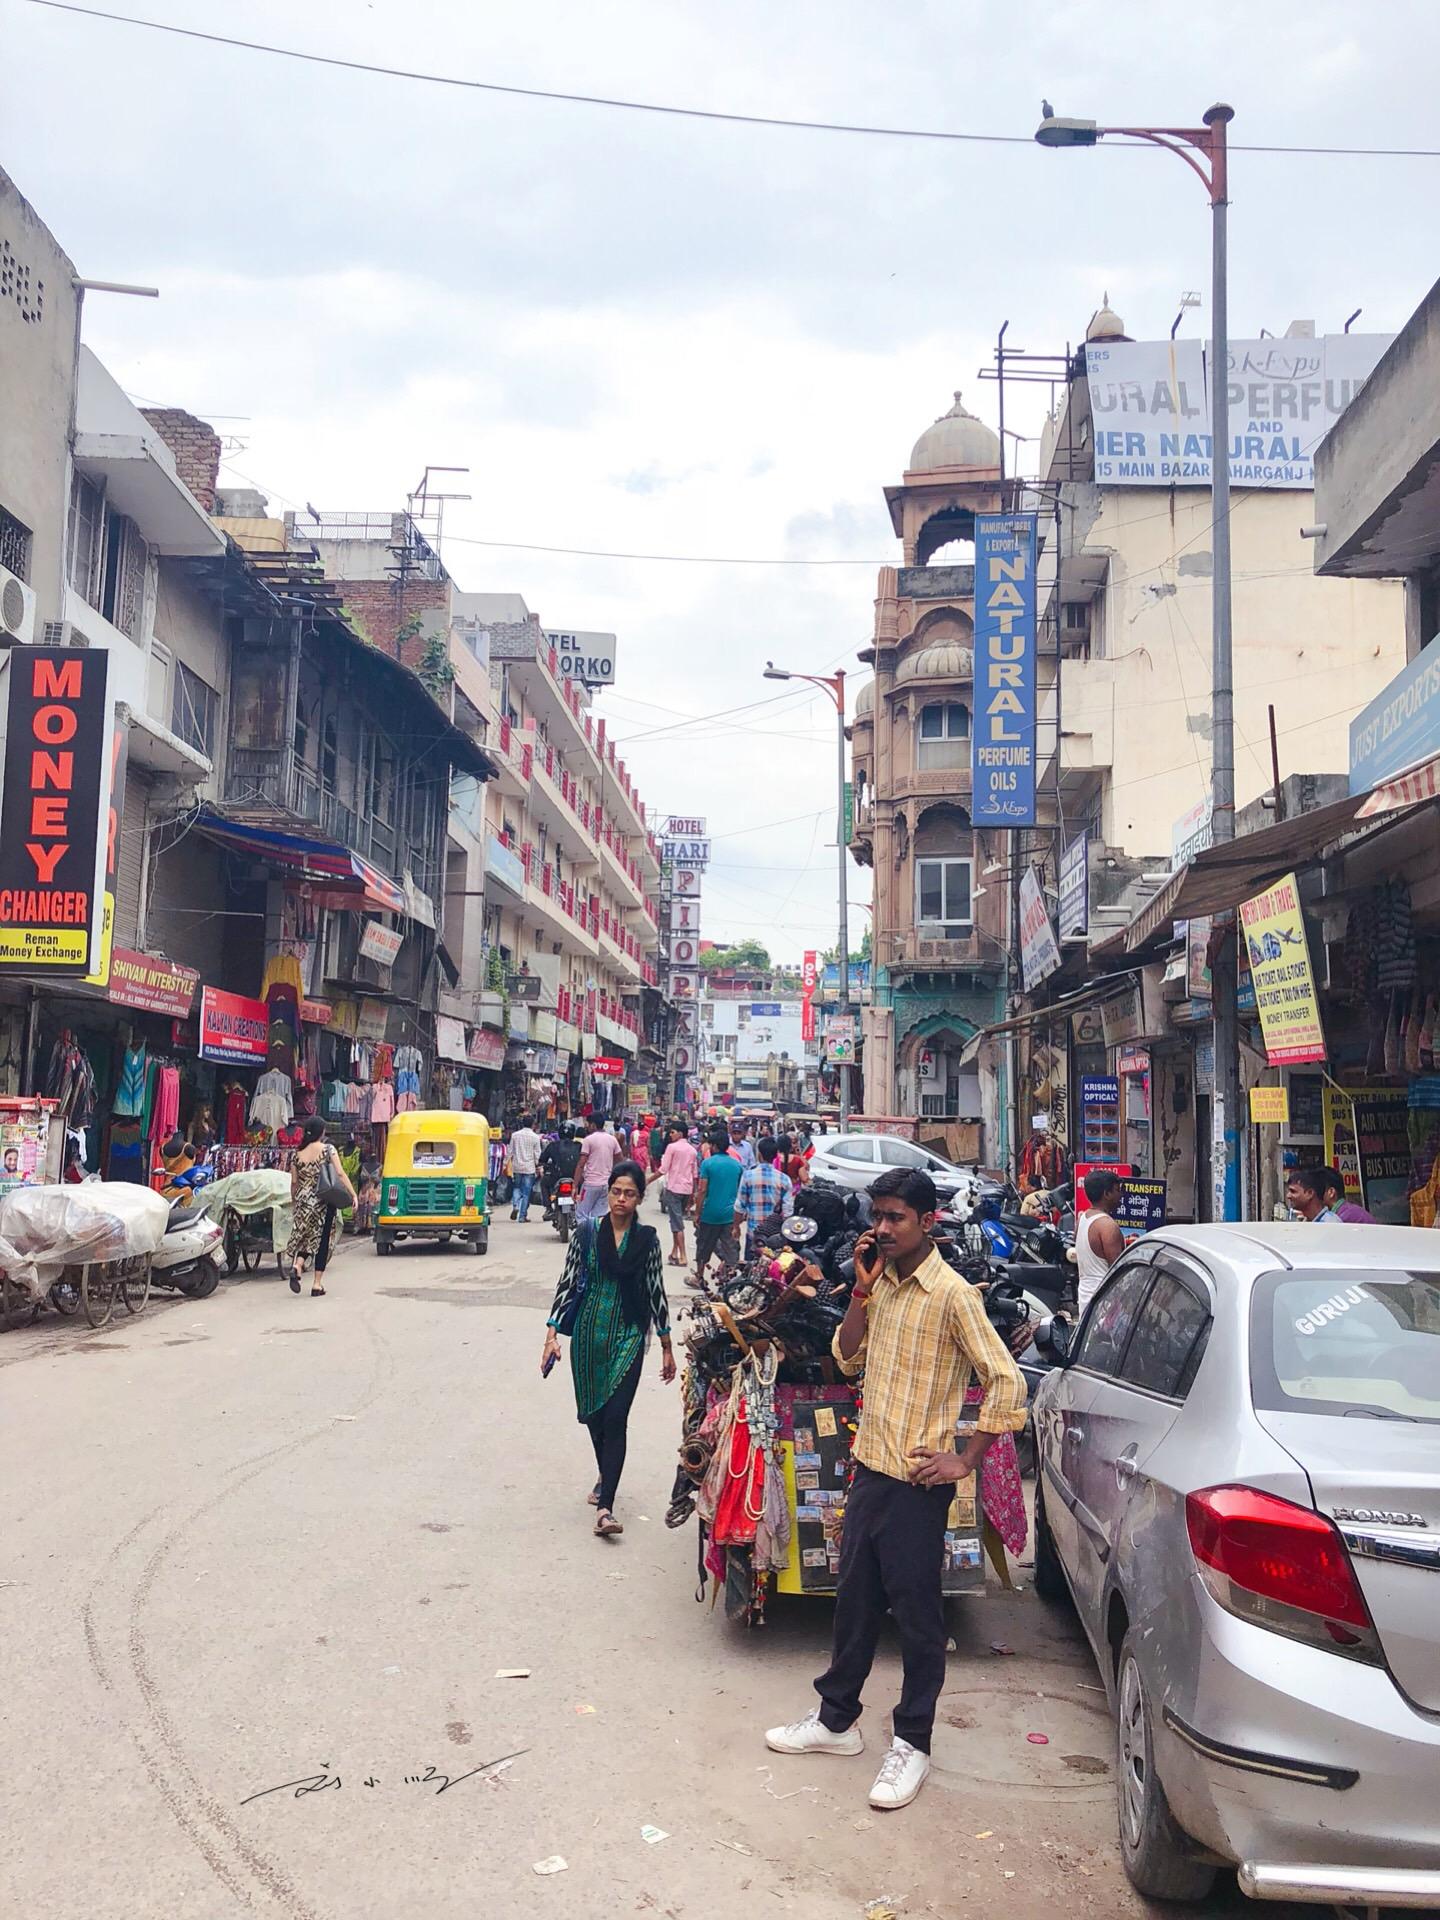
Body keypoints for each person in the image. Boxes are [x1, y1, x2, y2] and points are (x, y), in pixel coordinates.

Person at [766, 1168, 1027, 1811]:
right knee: (854, 1602)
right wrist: (860, 1290)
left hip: (916, 1481)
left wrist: (966, 1460)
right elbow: (847, 1356)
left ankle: (913, 1743)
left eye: (895, 1218)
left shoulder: (952, 1295)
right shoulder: (878, 1284)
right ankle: (836, 1722)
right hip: (870, 1468)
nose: (882, 1229)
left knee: (917, 1617)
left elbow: (1005, 1381)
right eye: (877, 1216)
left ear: (926, 1222)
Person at [542, 1159, 676, 1538]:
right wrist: (551, 1333)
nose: (621, 1199)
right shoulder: (586, 1233)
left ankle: (606, 1508)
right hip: (587, 1337)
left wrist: (667, 1345)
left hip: (629, 1335)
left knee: (616, 1418)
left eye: (629, 1194)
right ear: (609, 1193)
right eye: (616, 1192)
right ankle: (606, 1472)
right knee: (594, 1416)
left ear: (639, 1198)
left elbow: (656, 1291)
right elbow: (567, 1283)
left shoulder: (647, 1239)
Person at [286, 1116, 355, 1298]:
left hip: (303, 1200)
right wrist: (352, 1194)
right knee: (322, 1240)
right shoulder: (328, 1149)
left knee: (306, 1236)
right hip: (323, 1200)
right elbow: (339, 1173)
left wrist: (294, 1200)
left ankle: (297, 1265)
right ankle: (317, 1284)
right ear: (321, 1132)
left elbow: (294, 1182)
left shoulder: (296, 1154)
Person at [692, 1128, 743, 1285]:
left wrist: (697, 1212)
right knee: (730, 1247)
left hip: (710, 1213)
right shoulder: (737, 1166)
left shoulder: (707, 1164)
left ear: (714, 1146)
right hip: (730, 1214)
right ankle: (731, 1279)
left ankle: (699, 1277)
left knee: (704, 1245)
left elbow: (702, 1190)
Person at [1076, 1168, 1126, 1314]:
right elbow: (1117, 1271)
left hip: (1086, 1295)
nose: (1121, 1195)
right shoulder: (1107, 1225)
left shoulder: (1083, 1218)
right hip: (1105, 1301)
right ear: (1107, 1194)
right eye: (1117, 1190)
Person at [735, 1135, 794, 1257]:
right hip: (775, 1238)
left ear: (759, 1155)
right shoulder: (784, 1179)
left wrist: (736, 1227)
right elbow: (788, 1212)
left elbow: (740, 1206)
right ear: (775, 1155)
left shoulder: (748, 1176)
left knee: (749, 1270)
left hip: (753, 1234)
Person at [659, 1120, 699, 1267]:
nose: (670, 1135)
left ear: (680, 1133)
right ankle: (674, 1252)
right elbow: (695, 1174)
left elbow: (663, 1169)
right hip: (687, 1190)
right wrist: (694, 1193)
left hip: (674, 1188)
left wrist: (647, 1180)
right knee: (676, 1221)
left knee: (677, 1225)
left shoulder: (672, 1147)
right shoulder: (693, 1150)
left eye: (672, 1132)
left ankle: (683, 1256)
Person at [574, 1117, 622, 1224]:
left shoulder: (588, 1140)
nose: (587, 1126)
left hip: (590, 1184)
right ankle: (596, 1237)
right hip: (606, 1185)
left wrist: (575, 1186)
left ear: (593, 1125)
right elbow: (620, 1160)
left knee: (581, 1214)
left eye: (588, 1123)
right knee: (599, 1216)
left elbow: (581, 1164)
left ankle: (585, 1238)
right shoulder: (612, 1139)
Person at [540, 1123, 582, 1217]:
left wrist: (544, 1166)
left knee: (544, 1183)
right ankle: (582, 1208)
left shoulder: (552, 1145)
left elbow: (542, 1159)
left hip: (556, 1177)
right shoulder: (579, 1146)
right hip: (575, 1177)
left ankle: (549, 1208)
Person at [508, 1115, 544, 1222]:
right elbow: (537, 1154)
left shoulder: (515, 1135)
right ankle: (522, 1216)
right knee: (526, 1192)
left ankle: (515, 1206)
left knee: (516, 1188)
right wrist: (539, 1166)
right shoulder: (535, 1137)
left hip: (517, 1166)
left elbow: (510, 1151)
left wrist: (505, 1163)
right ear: (533, 1124)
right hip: (529, 1168)